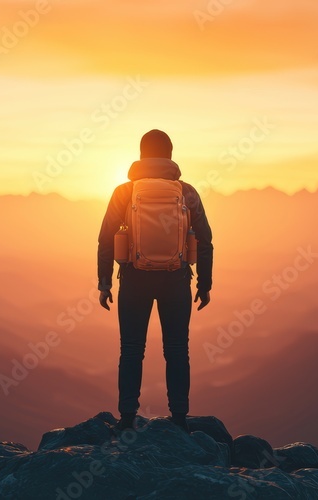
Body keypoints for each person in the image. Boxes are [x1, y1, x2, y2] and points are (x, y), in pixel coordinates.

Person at [97, 129, 214, 432]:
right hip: (176, 280)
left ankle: (126, 418)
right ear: (170, 154)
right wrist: (204, 284)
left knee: (132, 349)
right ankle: (179, 417)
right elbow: (205, 240)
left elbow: (105, 239)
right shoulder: (186, 192)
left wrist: (105, 282)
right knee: (177, 349)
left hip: (134, 279)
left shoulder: (125, 191)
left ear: (141, 154)